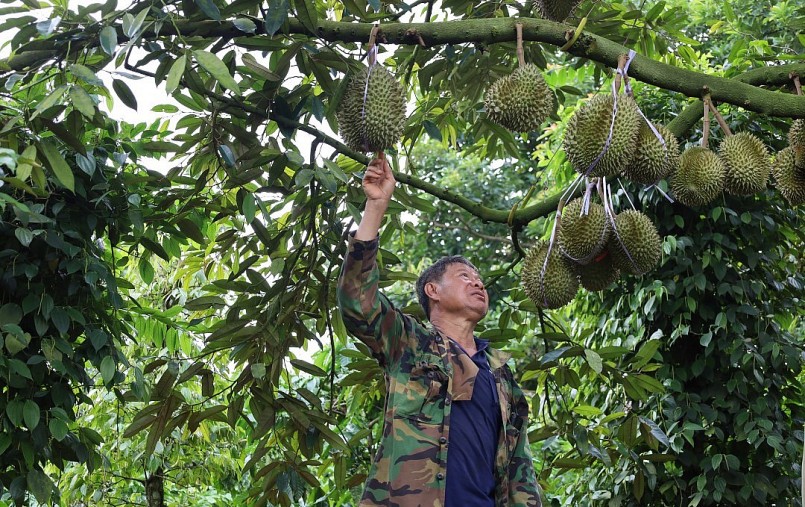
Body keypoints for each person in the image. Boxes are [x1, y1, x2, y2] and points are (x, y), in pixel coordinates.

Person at [337, 155, 543, 506]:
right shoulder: (410, 343)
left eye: (479, 279)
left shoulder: (501, 374)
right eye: (465, 276)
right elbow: (358, 301)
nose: (478, 283)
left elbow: (519, 470)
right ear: (432, 291)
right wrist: (376, 205)